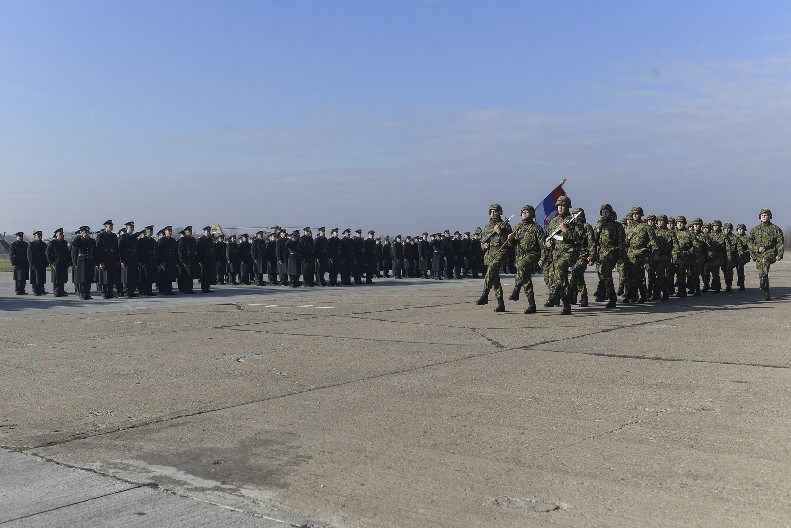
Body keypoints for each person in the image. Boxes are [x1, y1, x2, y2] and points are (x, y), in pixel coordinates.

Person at [506, 205, 544, 314]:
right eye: (523, 212)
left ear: (532, 214)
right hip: (520, 256)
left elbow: (542, 245)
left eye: (527, 212)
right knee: (526, 279)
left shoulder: (536, 228)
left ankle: (516, 289)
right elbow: (513, 244)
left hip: (532, 254)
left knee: (522, 266)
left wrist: (542, 258)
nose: (524, 213)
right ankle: (532, 304)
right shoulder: (518, 227)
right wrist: (510, 239)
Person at [541, 197, 576, 314]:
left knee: (560, 273)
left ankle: (566, 305)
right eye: (559, 205)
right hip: (555, 253)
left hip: (568, 252)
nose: (560, 207)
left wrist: (566, 230)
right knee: (553, 277)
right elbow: (548, 236)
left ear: (568, 207)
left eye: (563, 205)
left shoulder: (573, 220)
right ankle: (556, 296)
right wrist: (547, 242)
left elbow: (580, 237)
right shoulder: (553, 221)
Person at [476, 203, 512, 312]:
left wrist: (499, 232)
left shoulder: (505, 225)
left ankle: (485, 295)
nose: (493, 213)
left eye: (495, 211)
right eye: (491, 211)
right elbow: (482, 241)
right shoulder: (487, 226)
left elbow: (509, 242)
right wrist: (484, 245)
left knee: (490, 272)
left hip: (500, 253)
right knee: (495, 279)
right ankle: (501, 304)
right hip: (490, 254)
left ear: (499, 212)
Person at [590, 204, 625, 308]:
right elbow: (593, 242)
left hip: (612, 251)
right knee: (601, 275)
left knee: (605, 272)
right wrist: (592, 255)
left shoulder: (616, 225)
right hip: (600, 252)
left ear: (610, 213)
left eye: (606, 212)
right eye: (603, 212)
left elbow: (621, 242)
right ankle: (603, 293)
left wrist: (621, 256)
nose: (604, 214)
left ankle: (612, 297)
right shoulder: (598, 225)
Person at [749, 208, 784, 301]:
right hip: (758, 254)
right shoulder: (755, 229)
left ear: (770, 217)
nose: (764, 217)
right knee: (762, 269)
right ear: (760, 217)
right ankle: (765, 289)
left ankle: (763, 283)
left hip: (770, 253)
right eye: (762, 215)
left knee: (764, 262)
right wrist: (757, 248)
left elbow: (780, 243)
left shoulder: (775, 229)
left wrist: (780, 254)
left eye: (766, 215)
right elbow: (749, 242)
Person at [624, 206, 656, 304]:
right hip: (630, 253)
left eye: (637, 214)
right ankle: (632, 295)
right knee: (628, 276)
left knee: (636, 274)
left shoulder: (646, 227)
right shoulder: (628, 227)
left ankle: (642, 294)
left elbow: (653, 241)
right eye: (633, 214)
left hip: (641, 252)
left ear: (641, 215)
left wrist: (654, 253)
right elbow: (624, 242)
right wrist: (627, 239)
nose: (635, 215)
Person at [96, 220, 120, 299]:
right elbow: (98, 250)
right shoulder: (101, 236)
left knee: (111, 276)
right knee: (104, 277)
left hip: (112, 258)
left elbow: (116, 248)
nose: (112, 228)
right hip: (104, 258)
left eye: (112, 226)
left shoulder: (113, 236)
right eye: (110, 226)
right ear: (106, 227)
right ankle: (104, 292)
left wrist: (117, 260)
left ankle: (110, 292)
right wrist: (100, 262)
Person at [71, 226, 97, 299]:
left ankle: (87, 294)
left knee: (88, 279)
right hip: (81, 261)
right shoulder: (79, 240)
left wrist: (95, 261)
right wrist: (74, 263)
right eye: (85, 232)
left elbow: (94, 251)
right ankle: (82, 294)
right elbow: (74, 246)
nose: (87, 234)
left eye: (87, 232)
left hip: (89, 261)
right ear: (82, 233)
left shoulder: (91, 241)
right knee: (82, 279)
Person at [46, 228, 71, 297]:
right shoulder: (52, 242)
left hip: (63, 262)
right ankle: (56, 291)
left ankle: (61, 290)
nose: (62, 235)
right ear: (56, 235)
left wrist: (68, 262)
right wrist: (52, 262)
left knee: (62, 277)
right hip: (56, 262)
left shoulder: (64, 242)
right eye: (60, 234)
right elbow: (48, 253)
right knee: (56, 278)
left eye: (62, 234)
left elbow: (67, 253)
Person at [118, 221, 139, 297]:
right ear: (127, 228)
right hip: (126, 259)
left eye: (133, 227)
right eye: (131, 227)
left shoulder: (134, 237)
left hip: (133, 259)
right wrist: (122, 261)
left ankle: (132, 292)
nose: (132, 229)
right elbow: (120, 250)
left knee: (133, 276)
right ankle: (126, 292)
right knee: (126, 276)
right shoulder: (123, 237)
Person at [157, 226, 179, 295]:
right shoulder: (162, 240)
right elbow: (160, 252)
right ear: (165, 232)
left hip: (171, 260)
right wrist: (161, 261)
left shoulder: (173, 240)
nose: (170, 232)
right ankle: (164, 290)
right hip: (165, 260)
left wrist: (176, 261)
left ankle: (169, 290)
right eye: (168, 231)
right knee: (164, 276)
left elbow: (175, 251)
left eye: (170, 231)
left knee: (170, 276)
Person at [138, 226, 158, 296]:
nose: (151, 232)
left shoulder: (153, 240)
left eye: (152, 231)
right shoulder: (142, 240)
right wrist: (142, 262)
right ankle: (144, 291)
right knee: (144, 277)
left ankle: (149, 291)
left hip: (151, 260)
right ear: (146, 232)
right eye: (150, 231)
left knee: (150, 276)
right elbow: (140, 252)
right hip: (145, 261)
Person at [177, 226, 198, 293]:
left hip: (192, 259)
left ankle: (190, 288)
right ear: (185, 232)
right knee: (186, 275)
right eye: (189, 231)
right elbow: (180, 251)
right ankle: (186, 289)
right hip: (186, 260)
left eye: (191, 231)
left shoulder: (192, 239)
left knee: (191, 274)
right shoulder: (183, 239)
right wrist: (182, 261)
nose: (190, 233)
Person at [27, 231, 48, 296]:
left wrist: (46, 263)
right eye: (38, 236)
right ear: (35, 237)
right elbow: (29, 255)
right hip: (35, 263)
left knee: (41, 277)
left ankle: (41, 290)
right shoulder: (32, 244)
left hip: (42, 263)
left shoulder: (43, 244)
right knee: (35, 278)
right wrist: (31, 263)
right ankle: (35, 291)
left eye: (40, 236)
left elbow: (46, 254)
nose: (40, 237)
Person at [196, 226, 215, 293]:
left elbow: (212, 250)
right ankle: (204, 288)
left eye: (209, 231)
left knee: (209, 274)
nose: (208, 233)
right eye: (207, 231)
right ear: (204, 232)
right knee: (204, 275)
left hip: (209, 259)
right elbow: (198, 251)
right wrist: (199, 261)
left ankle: (207, 287)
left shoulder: (210, 240)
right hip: (203, 260)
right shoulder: (201, 240)